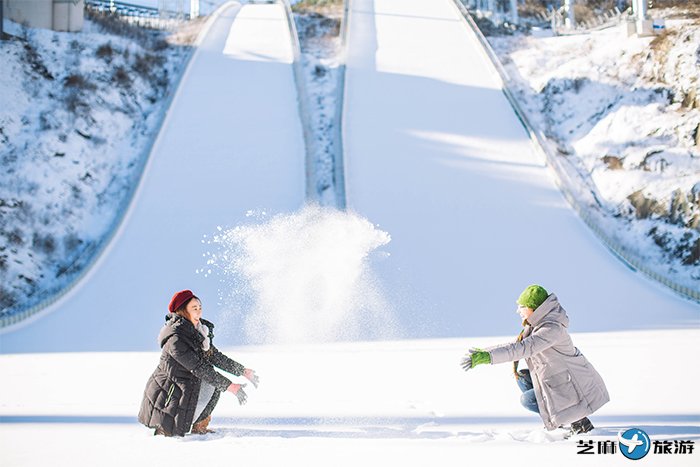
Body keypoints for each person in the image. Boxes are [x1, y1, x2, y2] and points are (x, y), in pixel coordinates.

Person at [460, 285, 609, 435]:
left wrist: (489, 358)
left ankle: (576, 420)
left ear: (533, 308)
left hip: (577, 388)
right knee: (523, 378)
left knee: (527, 400)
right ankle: (569, 418)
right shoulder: (537, 325)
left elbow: (523, 349)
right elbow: (516, 346)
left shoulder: (551, 329)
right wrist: (486, 352)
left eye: (522, 306)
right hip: (563, 380)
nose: (518, 311)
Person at [138, 290, 260, 437]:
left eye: (200, 308)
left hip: (184, 386)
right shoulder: (175, 338)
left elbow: (214, 356)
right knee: (211, 381)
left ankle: (199, 426)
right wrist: (230, 386)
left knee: (214, 385)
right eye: (194, 308)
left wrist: (242, 371)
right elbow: (199, 368)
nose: (199, 312)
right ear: (182, 311)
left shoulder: (199, 333)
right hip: (168, 395)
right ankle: (165, 428)